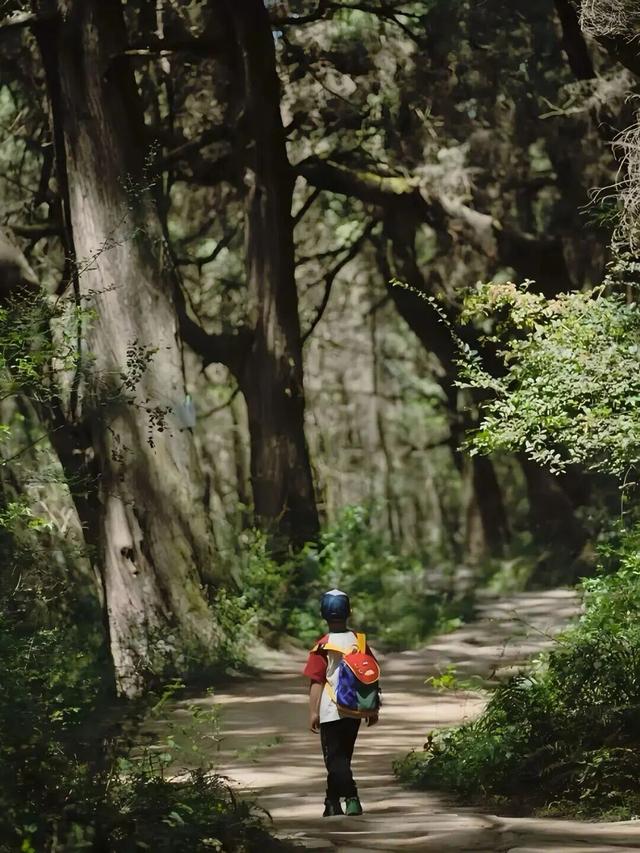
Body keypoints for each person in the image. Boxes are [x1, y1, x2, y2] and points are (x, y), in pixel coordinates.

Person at [303, 588, 379, 817]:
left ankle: (352, 797)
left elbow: (316, 681)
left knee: (335, 759)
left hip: (330, 710)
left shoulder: (322, 646)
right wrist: (373, 707)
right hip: (355, 709)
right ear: (349, 613)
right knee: (342, 756)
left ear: (323, 615)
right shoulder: (360, 641)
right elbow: (371, 676)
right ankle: (331, 802)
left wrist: (313, 712)